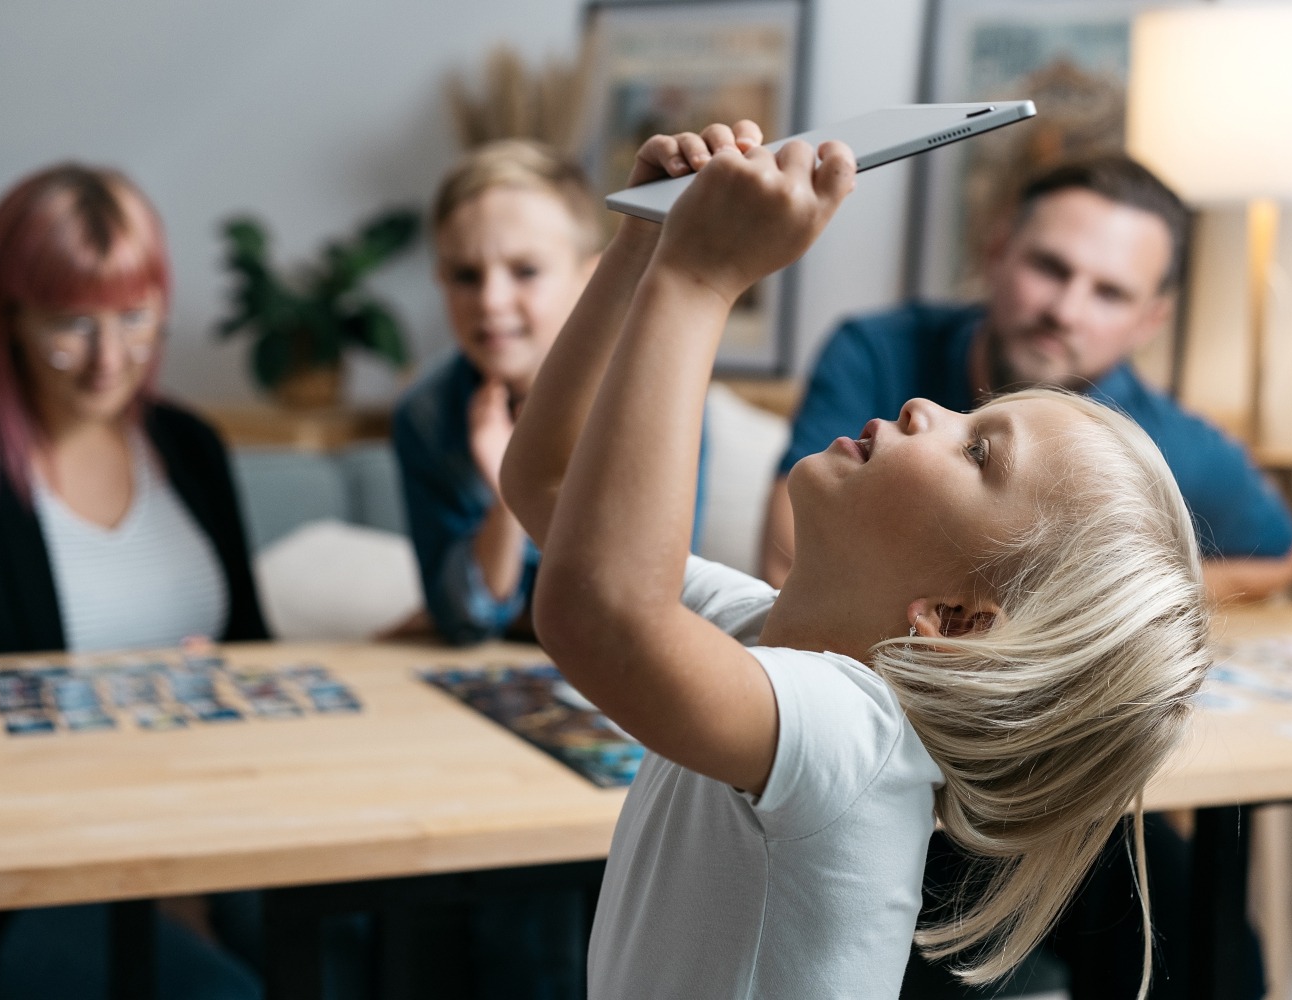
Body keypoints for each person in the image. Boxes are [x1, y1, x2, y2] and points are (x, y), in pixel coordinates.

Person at [499, 120, 1210, 998]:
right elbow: (549, 485)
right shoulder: (765, 631)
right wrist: (643, 245)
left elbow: (599, 616)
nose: (924, 409)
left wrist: (699, 276)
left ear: (954, 621)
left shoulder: (859, 740)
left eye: (978, 453)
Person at [0, 163, 267, 1000]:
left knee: (354, 937)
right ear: (7, 318)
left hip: (212, 832)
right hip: (6, 879)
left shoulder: (193, 449)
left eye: (135, 320)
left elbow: (253, 658)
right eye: (72, 324)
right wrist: (143, 855)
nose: (111, 359)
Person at [760, 154, 1292, 603]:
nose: (1065, 311)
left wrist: (1123, 605)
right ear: (997, 254)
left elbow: (1279, 554)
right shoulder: (876, 352)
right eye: (1050, 268)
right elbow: (784, 560)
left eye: (1109, 293)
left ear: (1149, 321)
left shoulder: (1169, 441)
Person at [392, 139, 707, 646]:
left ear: (592, 275)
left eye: (525, 271)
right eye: (466, 276)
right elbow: (464, 621)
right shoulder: (426, 415)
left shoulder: (652, 396)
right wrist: (505, 501)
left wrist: (522, 476)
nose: (492, 302)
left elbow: (642, 600)